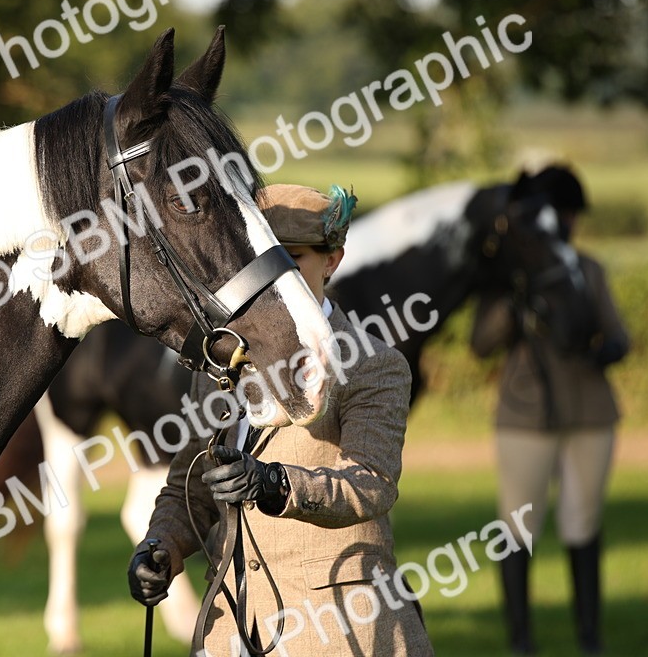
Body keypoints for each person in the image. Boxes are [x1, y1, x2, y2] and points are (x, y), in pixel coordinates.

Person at [128, 184, 433, 657]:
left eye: (291, 260)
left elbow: (372, 483)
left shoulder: (373, 364)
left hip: (338, 624)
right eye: (258, 262)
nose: (271, 278)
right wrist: (160, 548)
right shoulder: (218, 369)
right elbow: (191, 489)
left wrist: (276, 483)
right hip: (231, 622)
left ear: (332, 261)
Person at [470, 165, 629, 655]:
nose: (569, 224)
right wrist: (514, 307)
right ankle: (521, 640)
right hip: (526, 415)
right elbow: (481, 343)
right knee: (517, 527)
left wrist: (606, 349)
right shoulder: (507, 277)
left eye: (571, 214)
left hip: (590, 410)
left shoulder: (587, 269)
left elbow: (618, 335)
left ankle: (590, 638)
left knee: (584, 522)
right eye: (563, 213)